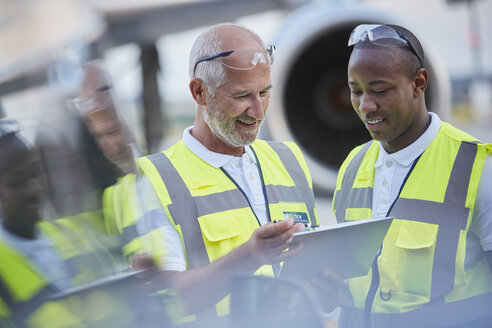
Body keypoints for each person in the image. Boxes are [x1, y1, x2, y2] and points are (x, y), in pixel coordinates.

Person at [136, 22, 318, 319]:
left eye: (265, 92)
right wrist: (251, 256)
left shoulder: (289, 159)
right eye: (243, 95)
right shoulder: (156, 180)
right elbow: (167, 300)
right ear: (199, 92)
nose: (258, 111)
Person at [332, 24, 492, 328]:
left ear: (418, 84)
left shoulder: (479, 168)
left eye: (379, 90)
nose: (366, 106)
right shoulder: (353, 166)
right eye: (355, 91)